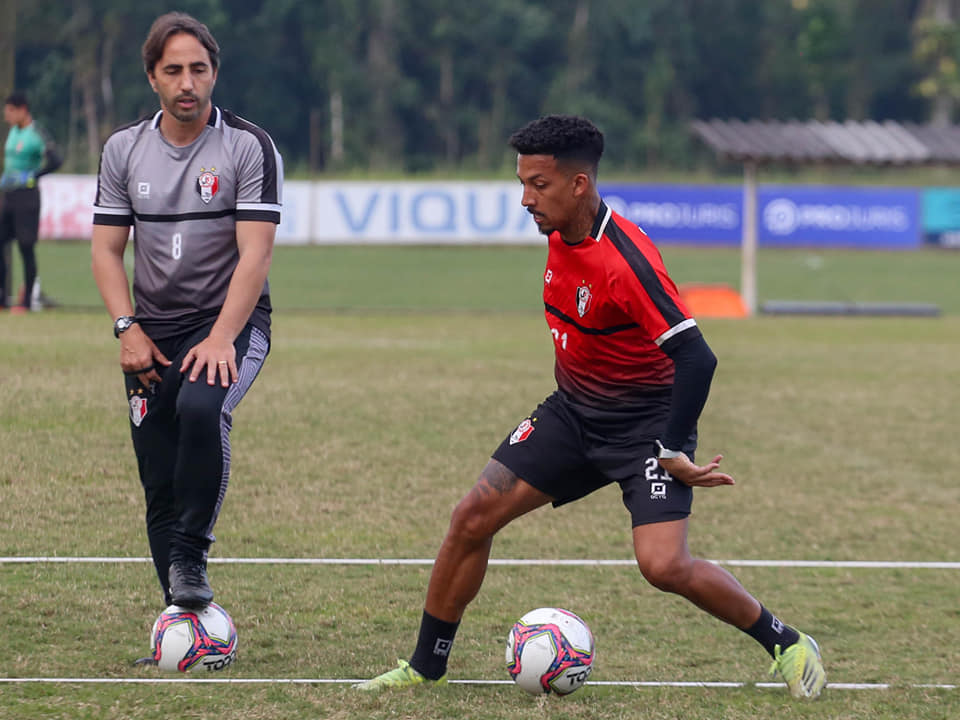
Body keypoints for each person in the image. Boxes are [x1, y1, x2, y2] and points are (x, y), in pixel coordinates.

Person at [356, 115, 826, 699]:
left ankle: (784, 641)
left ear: (580, 185)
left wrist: (674, 449)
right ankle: (425, 666)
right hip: (573, 414)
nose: (525, 199)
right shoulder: (559, 231)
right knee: (471, 517)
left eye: (539, 185)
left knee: (664, 567)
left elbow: (698, 358)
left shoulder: (625, 261)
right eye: (521, 183)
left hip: (645, 429)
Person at [90, 12, 282, 637]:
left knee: (203, 408)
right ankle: (182, 618)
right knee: (158, 476)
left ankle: (192, 554)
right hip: (151, 330)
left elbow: (255, 253)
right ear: (152, 77)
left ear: (214, 73)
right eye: (173, 70)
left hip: (228, 320)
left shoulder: (248, 146)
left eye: (198, 69)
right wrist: (127, 329)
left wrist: (222, 336)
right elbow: (105, 249)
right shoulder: (123, 149)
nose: (187, 82)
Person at [0, 91, 62, 312]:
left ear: (22, 110)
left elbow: (56, 160)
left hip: (27, 198)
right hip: (8, 196)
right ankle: (1, 299)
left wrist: (34, 175)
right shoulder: (13, 132)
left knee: (26, 247)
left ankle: (26, 303)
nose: (6, 116)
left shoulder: (36, 133)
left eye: (9, 111)